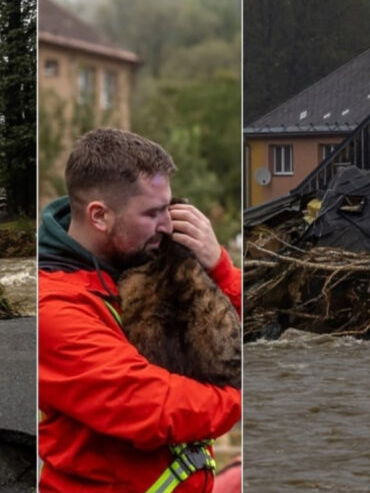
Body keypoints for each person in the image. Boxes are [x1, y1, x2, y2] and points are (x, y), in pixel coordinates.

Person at [39, 128, 242, 492]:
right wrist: (241, 396)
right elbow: (151, 407)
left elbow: (257, 333)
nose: (169, 226)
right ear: (99, 216)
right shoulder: (53, 307)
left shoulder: (139, 260)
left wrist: (220, 268)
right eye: (153, 213)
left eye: (169, 208)